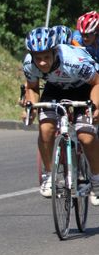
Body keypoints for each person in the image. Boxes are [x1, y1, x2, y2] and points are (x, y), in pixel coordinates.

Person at [22, 26, 99, 204]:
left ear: (55, 52)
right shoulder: (29, 63)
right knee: (46, 128)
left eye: (46, 57)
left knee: (86, 136)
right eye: (38, 58)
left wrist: (96, 107)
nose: (42, 63)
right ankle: (50, 175)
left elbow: (96, 82)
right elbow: (32, 87)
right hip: (54, 89)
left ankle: (96, 180)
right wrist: (31, 107)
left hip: (83, 89)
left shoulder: (74, 61)